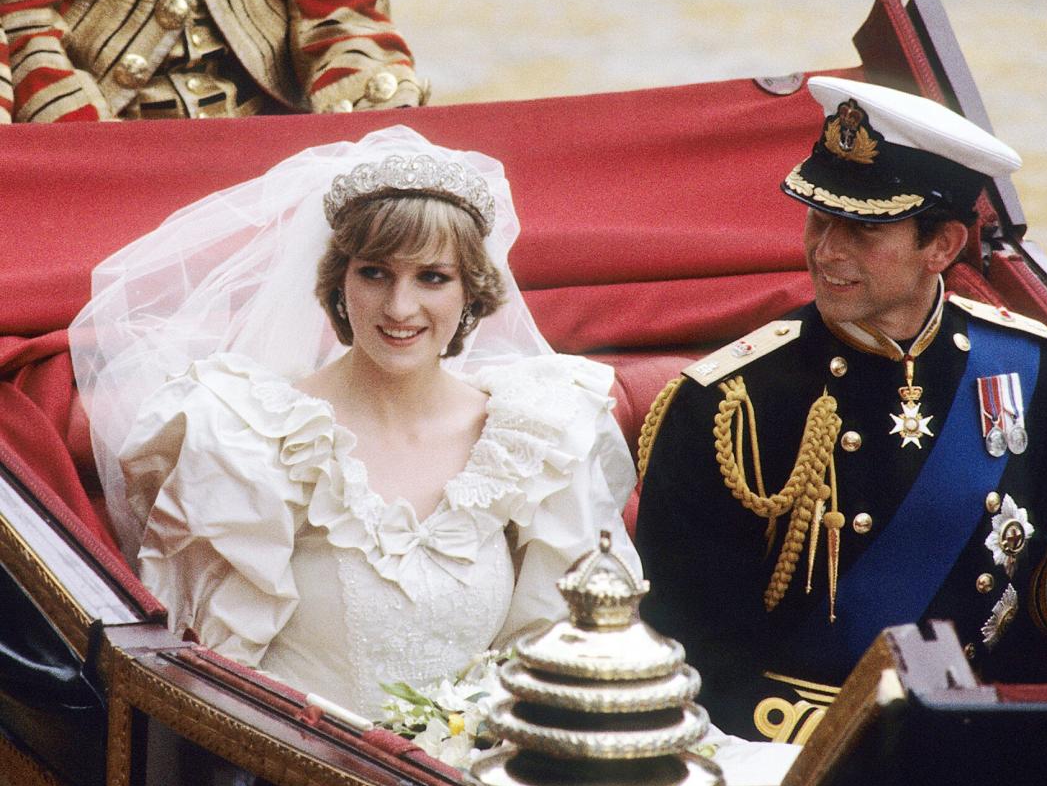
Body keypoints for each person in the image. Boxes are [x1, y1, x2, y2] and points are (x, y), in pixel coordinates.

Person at [635, 77, 1047, 743]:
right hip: (795, 756)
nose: (825, 251)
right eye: (818, 218)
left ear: (942, 246)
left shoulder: (1022, 362)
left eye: (861, 230)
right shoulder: (729, 403)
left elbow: (1009, 594)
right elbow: (684, 649)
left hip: (978, 734)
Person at [69, 125, 640, 719]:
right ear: (339, 283)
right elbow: (208, 677)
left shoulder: (534, 433)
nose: (399, 307)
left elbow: (559, 650)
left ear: (472, 291)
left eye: (432, 277)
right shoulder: (247, 435)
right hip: (295, 781)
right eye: (374, 273)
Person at [1, 0, 425, 122]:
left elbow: (341, 12)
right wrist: (89, 148)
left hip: (265, 142)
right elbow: (24, 22)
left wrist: (382, 126)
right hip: (103, 130)